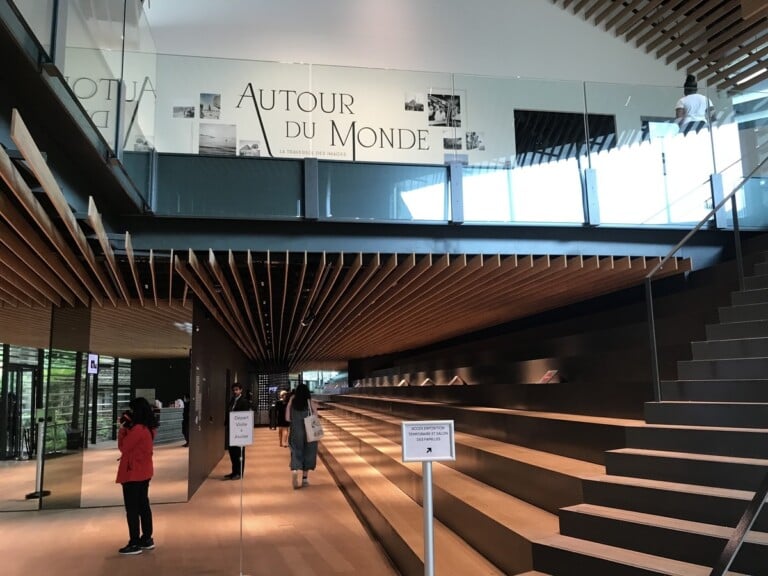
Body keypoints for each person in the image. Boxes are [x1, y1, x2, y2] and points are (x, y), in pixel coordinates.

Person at [115, 397, 157, 555]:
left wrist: (123, 428)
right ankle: (147, 538)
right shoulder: (149, 428)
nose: (130, 413)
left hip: (133, 473)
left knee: (132, 509)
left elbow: (123, 447)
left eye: (132, 410)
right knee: (143, 506)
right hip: (145, 472)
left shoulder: (138, 429)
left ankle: (134, 542)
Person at [286, 383, 319, 489]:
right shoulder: (310, 402)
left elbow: (287, 418)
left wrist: (290, 402)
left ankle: (295, 471)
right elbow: (316, 417)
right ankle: (304, 479)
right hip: (309, 432)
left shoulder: (292, 403)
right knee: (309, 452)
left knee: (296, 451)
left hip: (296, 431)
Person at [224, 384, 250, 480]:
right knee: (232, 452)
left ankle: (239, 473)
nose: (235, 392)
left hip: (239, 430)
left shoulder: (244, 401)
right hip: (231, 429)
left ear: (241, 390)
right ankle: (234, 472)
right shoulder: (232, 400)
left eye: (237, 390)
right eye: (234, 390)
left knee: (239, 452)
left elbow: (245, 416)